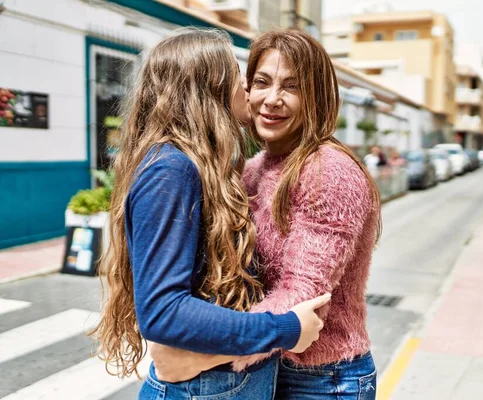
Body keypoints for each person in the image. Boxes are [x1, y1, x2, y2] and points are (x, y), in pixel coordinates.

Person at [89, 28, 330, 400]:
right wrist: (284, 329)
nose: (249, 92)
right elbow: (165, 311)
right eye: (241, 80)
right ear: (211, 89)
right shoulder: (172, 169)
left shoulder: (201, 166)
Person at [151, 29, 382, 399]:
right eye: (261, 82)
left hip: (323, 380)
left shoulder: (329, 170)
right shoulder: (256, 168)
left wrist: (202, 357)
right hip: (267, 369)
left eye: (291, 87)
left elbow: (304, 296)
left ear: (317, 97)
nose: (271, 100)